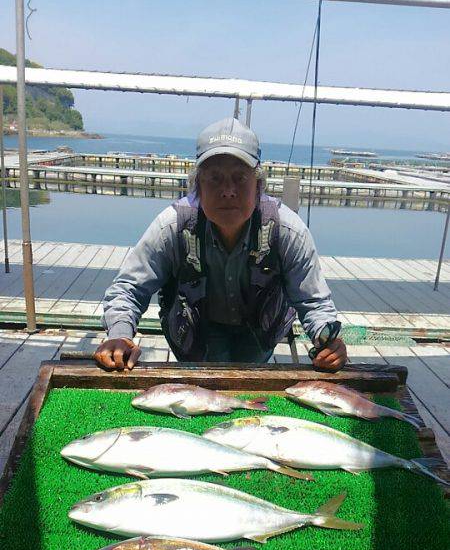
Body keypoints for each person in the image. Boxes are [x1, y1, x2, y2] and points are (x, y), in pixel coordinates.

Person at [94, 117, 347, 371]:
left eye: (240, 178)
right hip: (193, 338)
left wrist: (327, 340)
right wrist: (120, 334)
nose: (228, 190)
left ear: (258, 185)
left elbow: (314, 302)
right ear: (197, 186)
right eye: (215, 178)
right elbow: (129, 288)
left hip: (258, 337)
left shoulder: (289, 231)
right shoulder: (171, 226)